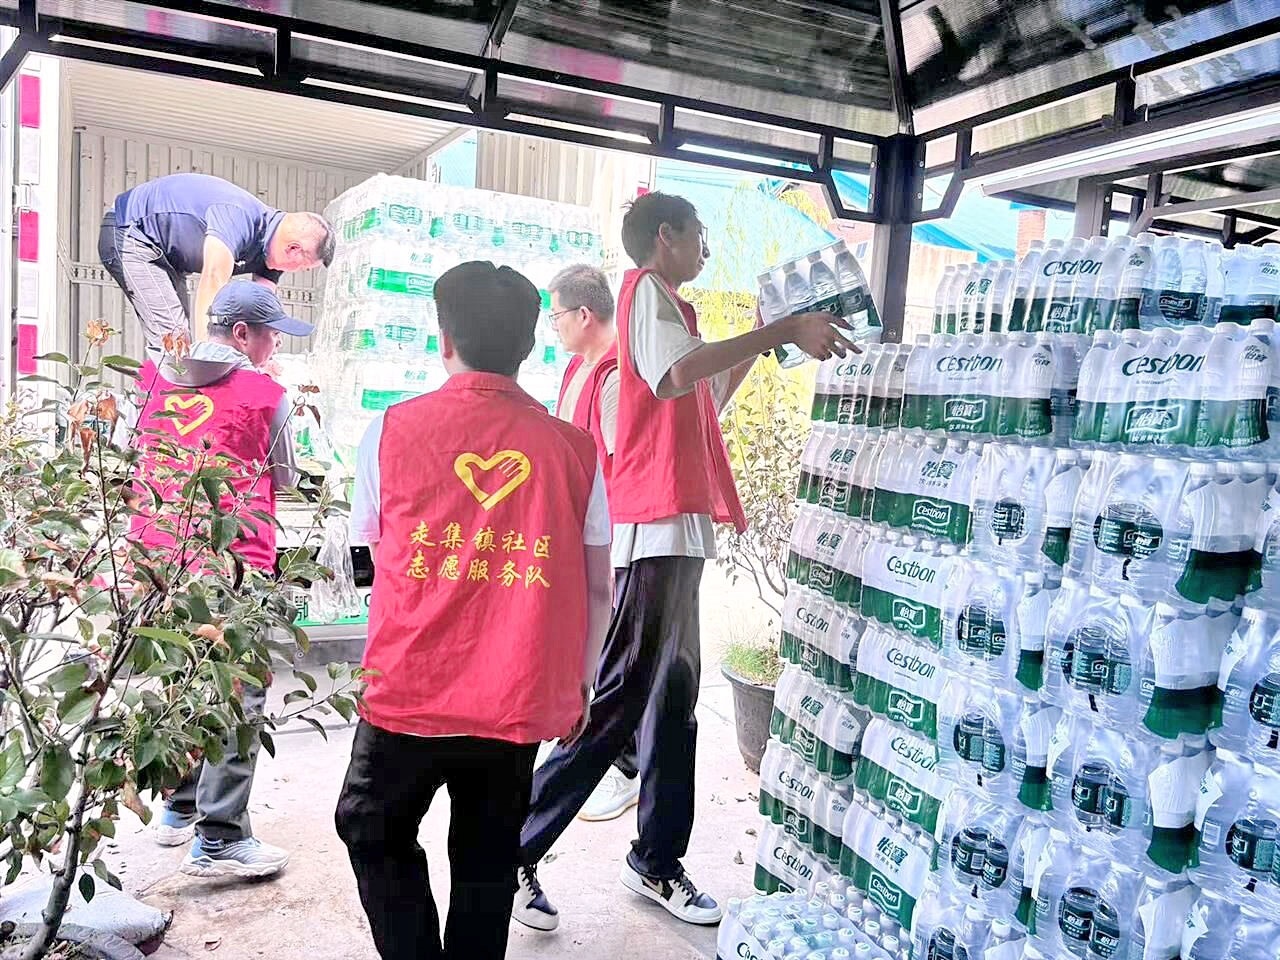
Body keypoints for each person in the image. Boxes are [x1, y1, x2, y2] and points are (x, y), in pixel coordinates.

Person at [514, 192, 853, 932]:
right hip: (652, 534)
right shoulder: (642, 296)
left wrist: (767, 342)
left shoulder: (669, 315)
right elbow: (676, 377)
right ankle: (516, 845)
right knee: (619, 704)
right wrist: (782, 325)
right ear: (663, 237)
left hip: (678, 535)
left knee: (672, 705)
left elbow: (699, 395)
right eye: (698, 235)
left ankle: (656, 860)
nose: (707, 248)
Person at [336, 261, 614, 960]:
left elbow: (369, 555)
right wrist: (580, 683)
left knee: (371, 826)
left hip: (409, 689)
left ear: (444, 341)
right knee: (488, 854)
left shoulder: (391, 431)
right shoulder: (576, 451)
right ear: (529, 346)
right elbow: (599, 586)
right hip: (515, 695)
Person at [131, 281, 314, 878]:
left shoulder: (152, 381)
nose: (270, 348)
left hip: (156, 560)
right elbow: (283, 475)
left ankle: (178, 807)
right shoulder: (266, 394)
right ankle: (221, 836)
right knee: (238, 687)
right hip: (232, 561)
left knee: (180, 677)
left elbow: (130, 457)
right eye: (268, 335)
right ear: (241, 333)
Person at [547, 264, 642, 823]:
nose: (553, 327)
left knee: (611, 658)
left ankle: (620, 766)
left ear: (584, 314)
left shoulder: (612, 375)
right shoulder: (575, 370)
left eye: (556, 315)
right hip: (574, 528)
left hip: (612, 534)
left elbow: (615, 464)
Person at [100, 173, 335, 348]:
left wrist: (265, 357)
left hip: (168, 258)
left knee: (185, 343)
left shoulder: (271, 253)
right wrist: (210, 357)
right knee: (176, 340)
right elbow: (213, 279)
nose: (296, 271)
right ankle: (165, 410)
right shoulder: (239, 217)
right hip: (131, 233)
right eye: (303, 267)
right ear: (293, 249)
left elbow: (263, 313)